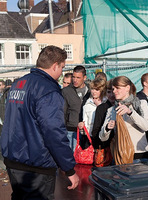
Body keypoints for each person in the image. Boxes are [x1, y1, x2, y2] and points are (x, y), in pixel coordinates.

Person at [0, 45, 79, 200]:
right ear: (55, 65)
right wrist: (69, 169)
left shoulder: (18, 84)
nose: (62, 72)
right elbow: (53, 132)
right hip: (36, 164)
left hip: (14, 159)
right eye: (62, 67)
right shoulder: (48, 89)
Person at [100, 76, 148, 160]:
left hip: (139, 153)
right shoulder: (111, 110)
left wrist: (130, 112)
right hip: (120, 153)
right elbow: (102, 137)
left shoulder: (141, 103)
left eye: (117, 88)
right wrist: (107, 128)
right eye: (113, 89)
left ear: (127, 88)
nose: (114, 92)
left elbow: (146, 126)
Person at [62, 65, 91, 151]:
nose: (75, 80)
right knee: (73, 158)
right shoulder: (66, 91)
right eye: (74, 77)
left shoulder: (91, 91)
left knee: (87, 159)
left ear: (84, 78)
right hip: (72, 131)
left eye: (78, 77)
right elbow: (63, 111)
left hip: (88, 131)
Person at [91, 79, 115, 150]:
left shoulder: (123, 106)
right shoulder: (101, 108)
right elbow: (95, 131)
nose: (111, 95)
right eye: (109, 92)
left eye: (113, 92)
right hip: (106, 148)